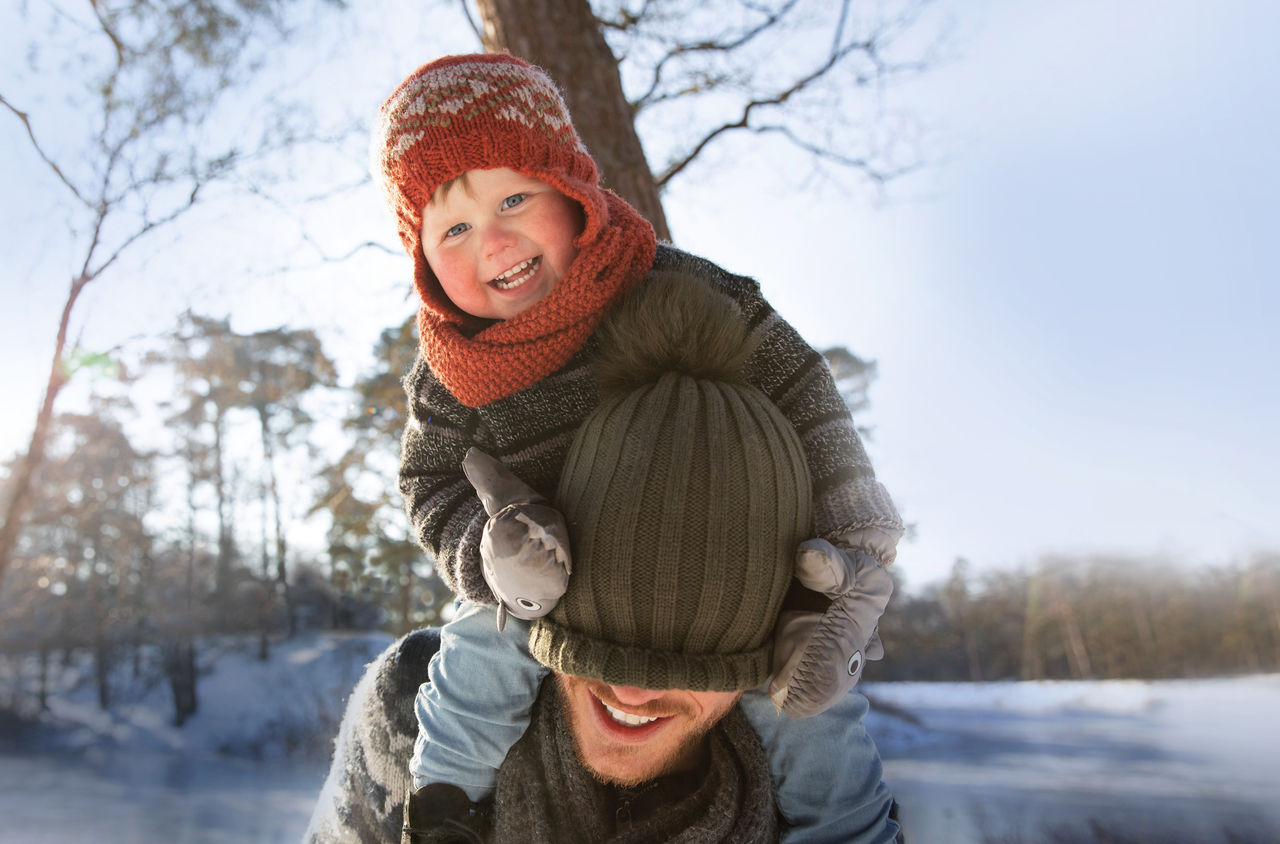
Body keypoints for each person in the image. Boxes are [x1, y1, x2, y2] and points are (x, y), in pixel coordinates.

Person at [373, 52, 903, 836]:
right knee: (479, 655)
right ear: (422, 260)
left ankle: (852, 829)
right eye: (453, 227)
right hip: (544, 579)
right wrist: (487, 556)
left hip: (719, 574)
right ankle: (447, 804)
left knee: (805, 695)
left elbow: (802, 390)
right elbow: (427, 482)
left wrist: (854, 541)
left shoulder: (667, 281)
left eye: (514, 197)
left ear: (574, 188)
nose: (493, 241)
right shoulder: (453, 371)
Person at [305, 276, 900, 842]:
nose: (633, 692)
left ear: (768, 635)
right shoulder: (408, 710)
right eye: (603, 620)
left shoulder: (824, 783)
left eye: (692, 653)